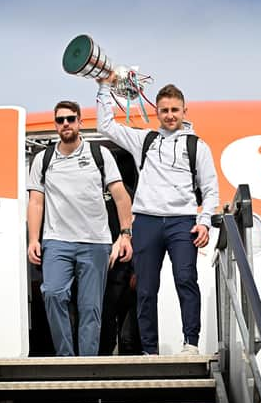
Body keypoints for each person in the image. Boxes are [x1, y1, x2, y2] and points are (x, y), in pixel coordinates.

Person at [96, 77, 219, 355]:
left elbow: (211, 188)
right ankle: (149, 349)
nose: (170, 115)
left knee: (185, 280)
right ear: (158, 113)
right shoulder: (146, 140)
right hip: (148, 221)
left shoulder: (197, 146)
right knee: (146, 289)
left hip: (181, 222)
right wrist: (104, 87)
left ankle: (191, 342)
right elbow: (106, 126)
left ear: (184, 111)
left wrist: (204, 220)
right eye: (164, 110)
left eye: (175, 110)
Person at [27, 100, 133, 356]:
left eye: (70, 119)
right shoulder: (43, 159)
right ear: (55, 124)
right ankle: (66, 359)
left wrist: (125, 235)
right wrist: (33, 240)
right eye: (60, 120)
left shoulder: (100, 154)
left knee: (90, 307)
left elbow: (121, 197)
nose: (66, 124)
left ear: (79, 122)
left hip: (95, 242)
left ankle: (87, 364)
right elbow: (36, 202)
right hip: (56, 241)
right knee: (52, 294)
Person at [99, 183, 142, 356]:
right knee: (105, 326)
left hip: (124, 267)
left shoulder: (126, 191)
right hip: (98, 268)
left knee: (128, 336)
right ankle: (101, 372)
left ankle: (133, 375)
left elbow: (137, 228)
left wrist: (136, 270)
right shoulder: (85, 186)